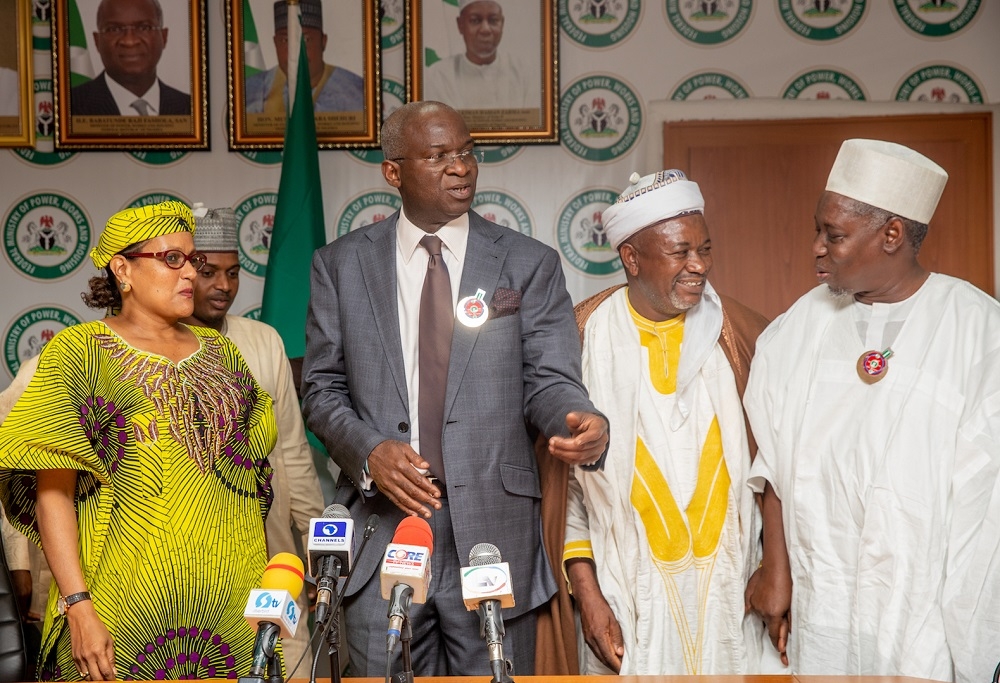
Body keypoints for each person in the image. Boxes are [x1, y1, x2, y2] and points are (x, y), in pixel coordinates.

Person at [301, 100, 609, 676]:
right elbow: (320, 389)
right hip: (383, 527)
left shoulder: (527, 263)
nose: (461, 167)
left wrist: (578, 418)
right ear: (393, 171)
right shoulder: (340, 266)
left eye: (467, 153)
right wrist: (370, 451)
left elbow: (549, 380)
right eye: (439, 155)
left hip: (494, 532)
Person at [743, 139, 1000, 683]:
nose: (816, 247)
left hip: (924, 605)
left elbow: (987, 499)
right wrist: (775, 570)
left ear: (891, 235)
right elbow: (774, 461)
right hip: (822, 599)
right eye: (818, 230)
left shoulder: (977, 329)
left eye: (833, 235)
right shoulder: (799, 327)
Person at [0, 201, 277, 681]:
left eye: (193, 260)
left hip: (231, 616)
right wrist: (79, 607)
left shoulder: (221, 352)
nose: (190, 272)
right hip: (120, 615)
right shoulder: (79, 353)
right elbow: (53, 494)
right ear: (123, 269)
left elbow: (250, 482)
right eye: (172, 259)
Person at [550, 170, 769, 675]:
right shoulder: (581, 337)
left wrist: (774, 572)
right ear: (631, 257)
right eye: (680, 252)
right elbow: (564, 494)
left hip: (734, 600)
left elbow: (775, 473)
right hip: (625, 597)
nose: (699, 267)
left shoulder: (742, 336)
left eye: (705, 250)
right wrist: (588, 598)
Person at [181, 204, 325, 669]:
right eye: (208, 272)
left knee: (288, 658)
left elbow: (293, 454)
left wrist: (317, 543)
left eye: (234, 272)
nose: (223, 285)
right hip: (188, 559)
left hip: (270, 548)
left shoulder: (263, 340)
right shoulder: (138, 346)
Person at [70, 0, 191, 116]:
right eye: (114, 29)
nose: (129, 41)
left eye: (144, 27)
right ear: (97, 41)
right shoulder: (70, 106)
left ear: (164, 37)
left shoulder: (191, 108)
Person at [245, 0, 363, 115]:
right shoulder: (248, 92)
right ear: (275, 43)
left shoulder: (358, 94)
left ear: (323, 42)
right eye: (286, 40)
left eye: (306, 40)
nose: (296, 52)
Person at [423, 0, 538, 110]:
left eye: (493, 20)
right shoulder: (440, 76)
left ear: (502, 23)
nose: (485, 29)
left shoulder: (523, 73)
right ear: (460, 24)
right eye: (475, 20)